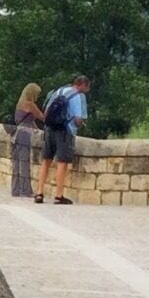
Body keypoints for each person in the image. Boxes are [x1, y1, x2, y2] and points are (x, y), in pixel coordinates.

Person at [36, 74, 91, 204]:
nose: (87, 90)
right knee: (62, 162)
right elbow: (78, 119)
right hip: (65, 131)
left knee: (46, 161)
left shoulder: (59, 91)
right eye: (87, 87)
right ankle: (58, 195)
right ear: (82, 85)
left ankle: (39, 192)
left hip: (49, 129)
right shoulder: (77, 96)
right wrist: (80, 123)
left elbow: (47, 111)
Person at [10, 82, 44, 197]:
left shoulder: (20, 104)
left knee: (16, 164)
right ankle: (25, 190)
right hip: (24, 136)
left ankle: (15, 189)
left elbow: (27, 120)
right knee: (24, 163)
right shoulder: (30, 105)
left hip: (15, 135)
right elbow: (42, 117)